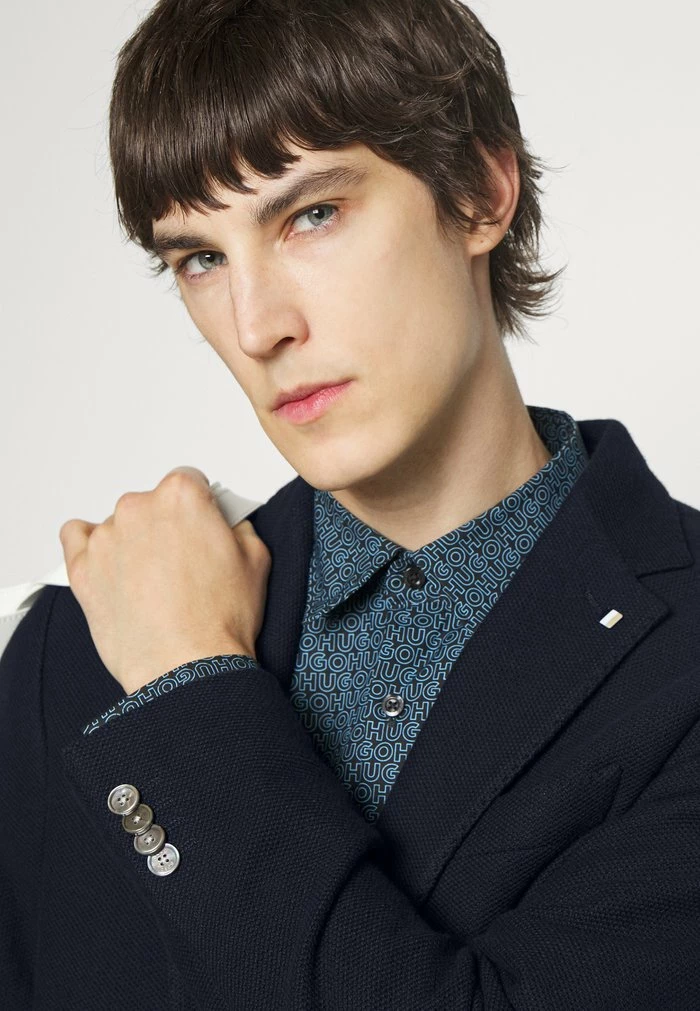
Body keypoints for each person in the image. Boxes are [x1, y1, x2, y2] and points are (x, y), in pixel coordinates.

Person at [2, 0, 699, 1007]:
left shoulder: (682, 667)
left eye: (311, 216)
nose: (257, 326)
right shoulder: (72, 648)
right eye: (201, 259)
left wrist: (190, 688)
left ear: (480, 192)